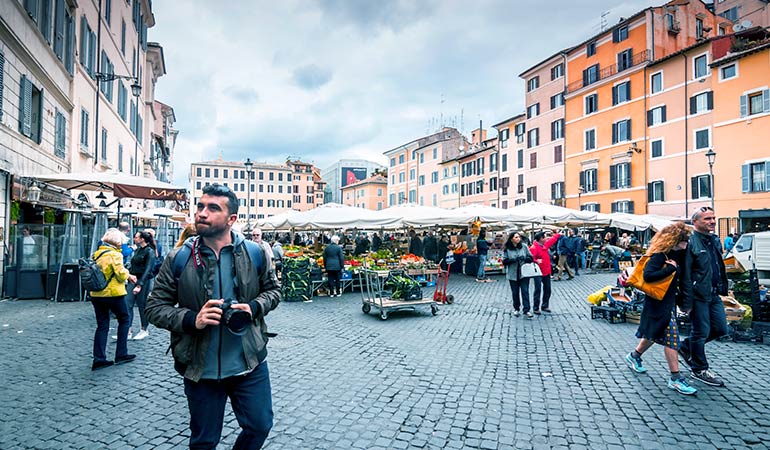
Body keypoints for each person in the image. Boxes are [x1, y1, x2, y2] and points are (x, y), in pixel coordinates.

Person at [146, 184, 279, 450]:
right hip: (200, 367)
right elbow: (154, 307)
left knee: (260, 426)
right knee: (204, 441)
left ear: (232, 219)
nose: (202, 213)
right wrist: (191, 319)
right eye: (200, 206)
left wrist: (254, 307)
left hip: (248, 361)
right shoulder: (179, 258)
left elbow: (273, 291)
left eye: (213, 208)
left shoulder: (254, 252)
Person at [624, 222, 697, 396]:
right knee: (672, 338)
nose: (687, 243)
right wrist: (670, 269)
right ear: (675, 240)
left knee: (654, 334)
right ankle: (675, 377)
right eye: (684, 240)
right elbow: (649, 276)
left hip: (667, 303)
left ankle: (634, 356)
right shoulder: (659, 255)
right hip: (657, 303)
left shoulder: (678, 254)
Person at [679, 206, 729, 387]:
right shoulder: (691, 242)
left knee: (721, 328)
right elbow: (685, 274)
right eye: (707, 219)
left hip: (713, 293)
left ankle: (686, 347)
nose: (712, 221)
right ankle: (699, 368)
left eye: (713, 218)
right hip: (697, 295)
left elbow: (718, 266)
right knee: (700, 332)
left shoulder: (714, 240)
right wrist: (686, 302)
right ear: (695, 222)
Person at [90, 228, 137, 370]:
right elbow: (121, 274)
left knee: (102, 325)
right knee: (124, 319)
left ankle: (99, 358)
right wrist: (129, 275)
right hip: (113, 293)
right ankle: (121, 353)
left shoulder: (97, 254)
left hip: (97, 294)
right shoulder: (115, 255)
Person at [124, 230, 156, 341]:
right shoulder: (138, 250)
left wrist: (140, 284)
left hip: (143, 280)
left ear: (142, 239)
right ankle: (128, 330)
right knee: (128, 303)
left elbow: (148, 269)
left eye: (137, 237)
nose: (135, 239)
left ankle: (144, 329)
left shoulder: (150, 251)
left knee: (142, 305)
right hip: (133, 279)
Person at [504, 232, 534, 318]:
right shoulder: (507, 249)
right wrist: (513, 260)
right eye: (516, 237)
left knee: (525, 291)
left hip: (524, 273)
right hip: (513, 274)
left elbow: (531, 257)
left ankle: (526, 310)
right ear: (511, 239)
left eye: (518, 237)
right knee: (515, 292)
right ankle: (516, 308)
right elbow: (504, 261)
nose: (518, 239)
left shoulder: (524, 246)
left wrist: (525, 258)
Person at [529, 231, 561, 313]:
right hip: (538, 272)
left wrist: (558, 234)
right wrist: (536, 261)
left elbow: (552, 240)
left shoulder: (544, 245)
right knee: (538, 290)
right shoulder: (533, 248)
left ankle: (545, 306)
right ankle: (536, 308)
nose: (547, 238)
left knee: (547, 289)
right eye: (545, 237)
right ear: (541, 239)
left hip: (546, 271)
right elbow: (530, 258)